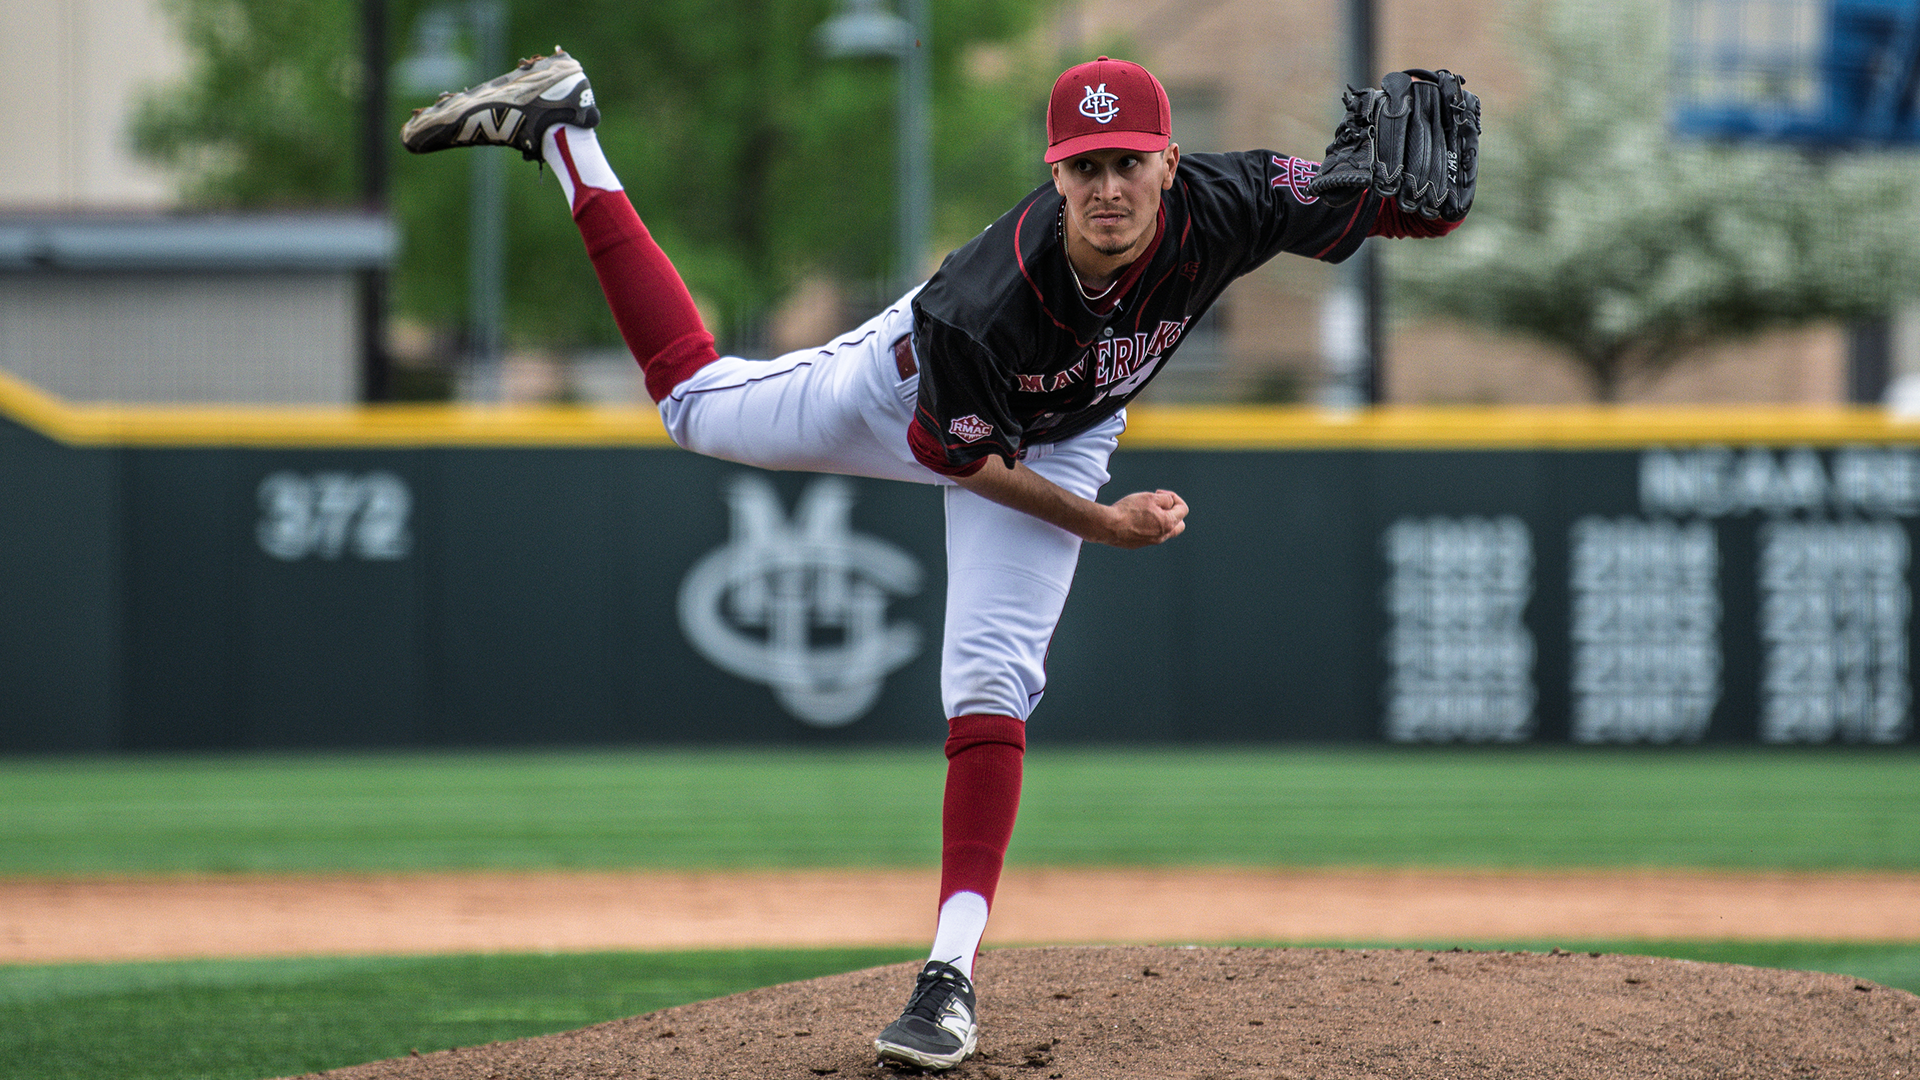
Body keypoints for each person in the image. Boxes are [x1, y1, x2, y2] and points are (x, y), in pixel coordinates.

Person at [401, 48, 1472, 1071]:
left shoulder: (1227, 203)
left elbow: (1383, 200)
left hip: (1069, 429)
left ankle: (946, 978)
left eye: (1128, 160)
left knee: (994, 679)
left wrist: (1430, 208)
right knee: (690, 406)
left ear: (1168, 163)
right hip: (909, 396)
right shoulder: (983, 301)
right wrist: (1108, 526)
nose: (1109, 185)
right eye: (1084, 166)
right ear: (1055, 176)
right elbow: (974, 467)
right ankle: (567, 134)